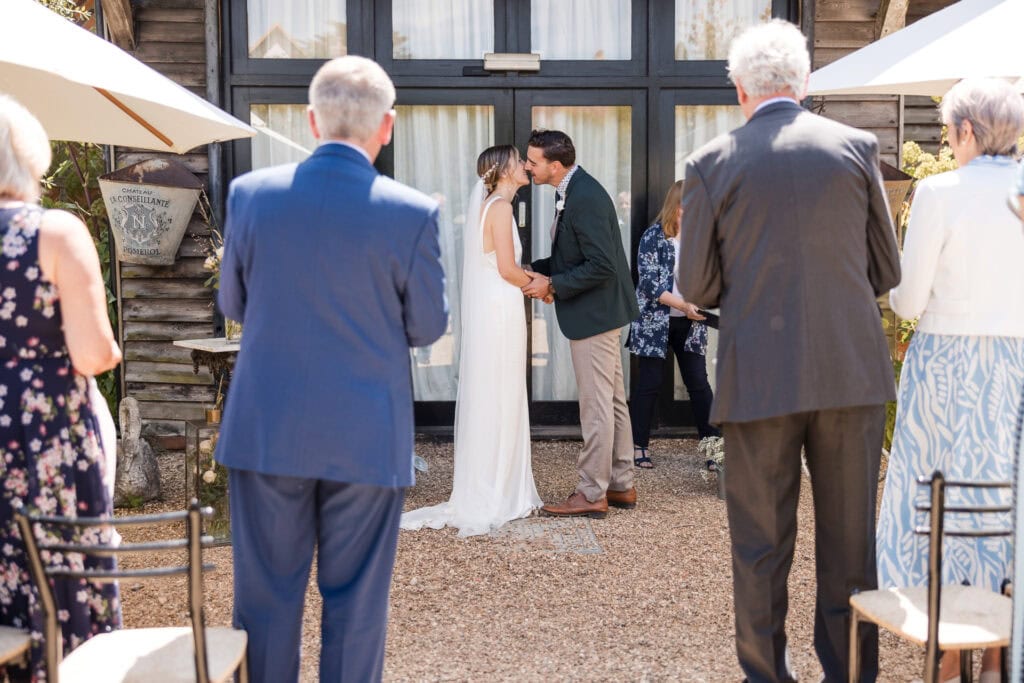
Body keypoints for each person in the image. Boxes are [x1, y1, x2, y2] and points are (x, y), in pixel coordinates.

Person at [677, 20, 901, 682]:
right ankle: (852, 674)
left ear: (740, 90)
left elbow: (695, 286)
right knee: (850, 547)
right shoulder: (857, 147)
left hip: (759, 377)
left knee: (759, 545)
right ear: (803, 84)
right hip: (849, 372)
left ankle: (765, 675)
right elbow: (887, 269)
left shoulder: (710, 162)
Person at [216, 56, 447, 683]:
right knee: (356, 610)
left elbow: (233, 306)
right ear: (388, 126)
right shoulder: (412, 212)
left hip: (267, 428)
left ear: (312, 120)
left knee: (263, 606)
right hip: (366, 433)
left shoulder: (250, 196)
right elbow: (428, 327)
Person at [876, 77, 1024, 683]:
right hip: (1015, 362)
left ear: (965, 131)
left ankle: (948, 651)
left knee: (940, 495)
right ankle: (996, 653)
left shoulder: (941, 192)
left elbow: (907, 301)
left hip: (947, 365)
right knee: (1002, 497)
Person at [0, 95, 122, 682]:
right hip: (42, 447)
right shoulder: (53, 233)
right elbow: (94, 353)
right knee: (65, 599)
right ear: (30, 160)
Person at [401, 145, 542, 536]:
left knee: (498, 390)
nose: (525, 167)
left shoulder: (493, 206)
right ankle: (498, 490)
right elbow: (507, 269)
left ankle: (499, 482)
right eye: (518, 162)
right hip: (500, 308)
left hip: (497, 304)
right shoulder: (499, 208)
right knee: (501, 389)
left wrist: (527, 277)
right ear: (501, 170)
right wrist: (542, 285)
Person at [521, 129, 640, 518]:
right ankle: (621, 484)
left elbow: (601, 266)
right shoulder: (574, 189)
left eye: (532, 161)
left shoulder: (584, 196)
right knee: (613, 403)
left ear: (555, 166)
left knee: (596, 407)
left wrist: (552, 284)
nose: (527, 166)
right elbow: (576, 255)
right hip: (601, 312)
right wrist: (536, 269)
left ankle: (592, 493)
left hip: (595, 314)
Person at [626, 180, 720, 469]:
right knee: (649, 383)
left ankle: (715, 450)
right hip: (655, 320)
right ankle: (638, 445)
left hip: (691, 323)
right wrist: (682, 305)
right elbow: (649, 282)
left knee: (699, 384)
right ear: (679, 208)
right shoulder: (653, 236)